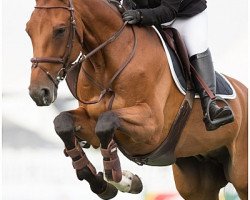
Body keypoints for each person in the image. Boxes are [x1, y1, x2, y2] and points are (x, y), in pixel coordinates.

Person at [122, 0, 234, 131]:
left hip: (185, 16)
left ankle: (210, 105)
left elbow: (168, 11)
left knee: (195, 46)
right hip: (148, 14)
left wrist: (140, 16)